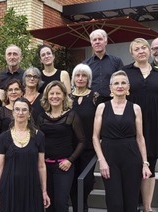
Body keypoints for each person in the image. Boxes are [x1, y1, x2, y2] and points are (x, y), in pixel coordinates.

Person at [92, 70, 151, 212]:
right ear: (111, 87)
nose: (120, 86)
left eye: (123, 83)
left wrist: (145, 163)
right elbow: (95, 137)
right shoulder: (102, 107)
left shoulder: (136, 108)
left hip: (132, 157)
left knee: (130, 202)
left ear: (128, 87)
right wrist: (102, 161)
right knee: (115, 203)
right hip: (110, 157)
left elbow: (140, 137)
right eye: (116, 83)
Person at [0, 97, 50, 211]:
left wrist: (44, 191)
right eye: (17, 109)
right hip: (9, 187)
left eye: (24, 110)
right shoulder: (4, 137)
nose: (20, 113)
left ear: (29, 114)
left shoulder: (39, 136)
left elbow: (41, 166)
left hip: (32, 187)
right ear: (13, 113)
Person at [121, 38, 158, 212]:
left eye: (144, 47)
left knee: (149, 165)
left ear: (149, 51)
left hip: (154, 126)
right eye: (137, 49)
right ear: (132, 53)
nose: (141, 51)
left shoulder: (157, 72)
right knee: (132, 165)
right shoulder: (124, 72)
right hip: (130, 126)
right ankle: (132, 205)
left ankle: (148, 207)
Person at [36, 81, 85, 212]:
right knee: (48, 204)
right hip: (45, 167)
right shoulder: (41, 118)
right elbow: (36, 142)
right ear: (47, 96)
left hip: (64, 167)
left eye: (58, 93)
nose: (55, 96)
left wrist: (70, 160)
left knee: (61, 203)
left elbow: (82, 141)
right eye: (51, 93)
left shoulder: (71, 115)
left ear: (64, 96)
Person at [69, 63, 100, 212]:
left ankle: (83, 205)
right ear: (73, 78)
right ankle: (79, 209)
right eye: (77, 75)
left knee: (87, 181)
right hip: (69, 148)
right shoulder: (67, 98)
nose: (80, 78)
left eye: (84, 76)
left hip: (89, 148)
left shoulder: (95, 96)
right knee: (72, 182)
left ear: (89, 79)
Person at [83, 29, 123, 103]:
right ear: (91, 43)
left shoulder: (116, 61)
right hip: (91, 102)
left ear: (106, 41)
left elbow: (122, 81)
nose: (97, 42)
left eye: (100, 39)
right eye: (94, 40)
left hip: (112, 101)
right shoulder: (85, 64)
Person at [0, 79, 24, 160]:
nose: (13, 92)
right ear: (6, 93)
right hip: (4, 153)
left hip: (23, 152)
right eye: (10, 90)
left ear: (22, 92)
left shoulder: (28, 110)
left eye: (16, 89)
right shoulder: (0, 111)